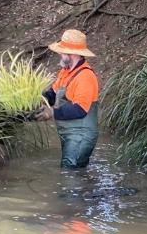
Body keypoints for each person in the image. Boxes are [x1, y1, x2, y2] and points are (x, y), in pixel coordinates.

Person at [36, 29, 100, 168]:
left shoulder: (85, 77)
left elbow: (80, 110)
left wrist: (52, 112)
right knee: (72, 173)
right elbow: (52, 94)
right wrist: (37, 101)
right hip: (70, 133)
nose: (59, 54)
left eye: (62, 51)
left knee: (71, 174)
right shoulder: (66, 72)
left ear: (72, 54)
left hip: (81, 136)